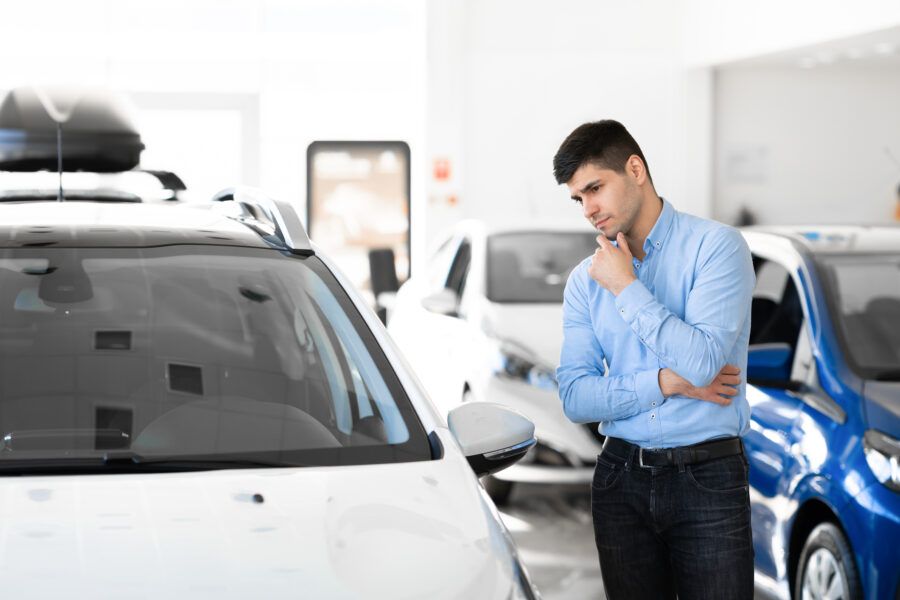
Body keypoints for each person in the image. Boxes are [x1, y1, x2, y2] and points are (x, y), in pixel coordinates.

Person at [553, 120, 756, 600]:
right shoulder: (584, 281)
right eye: (578, 198)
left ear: (635, 169)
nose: (588, 210)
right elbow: (575, 398)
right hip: (619, 480)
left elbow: (704, 363)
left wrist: (626, 286)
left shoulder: (716, 249)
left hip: (708, 478)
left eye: (595, 189)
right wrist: (666, 381)